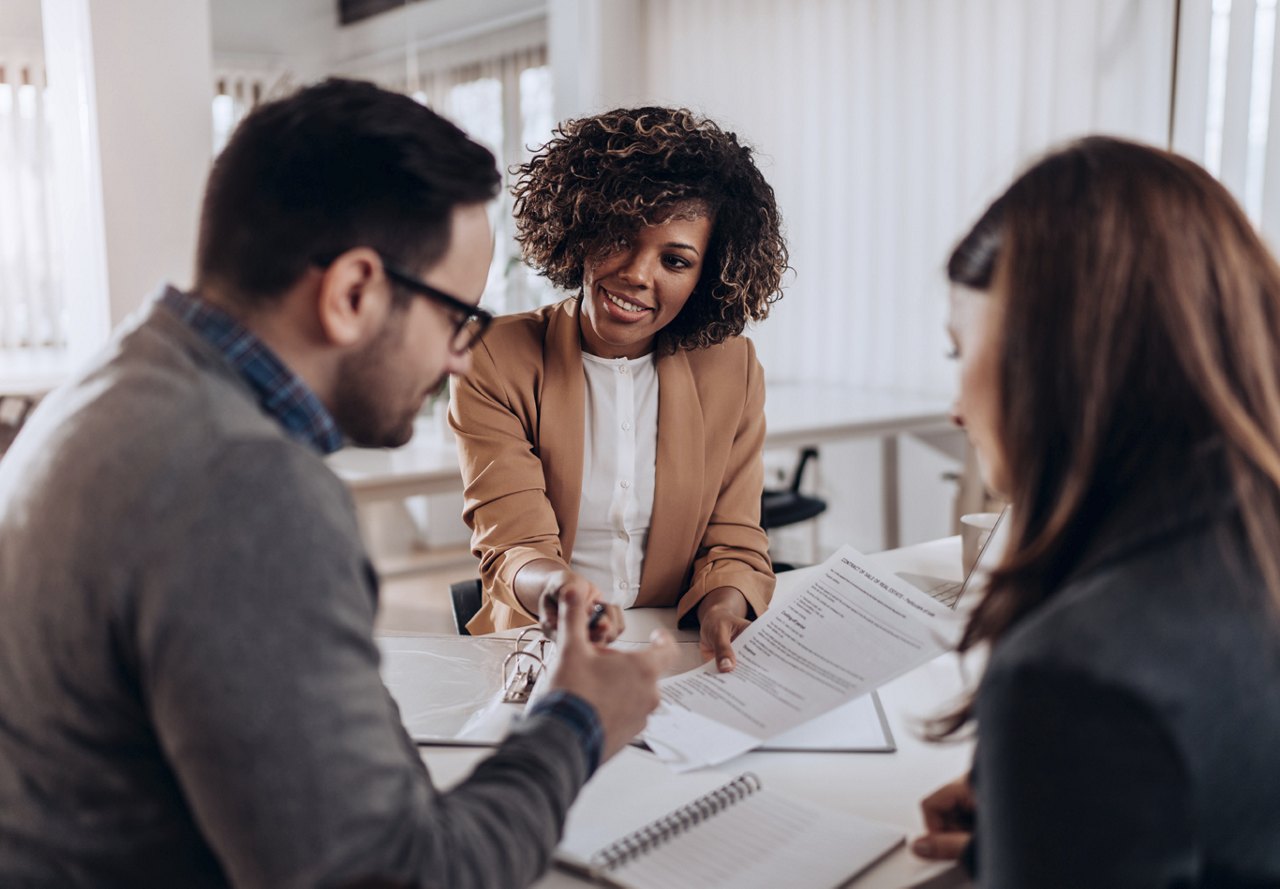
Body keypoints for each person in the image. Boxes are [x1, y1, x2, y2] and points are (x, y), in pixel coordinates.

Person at [0, 78, 674, 889]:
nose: (459, 356)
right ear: (354, 292)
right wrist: (577, 721)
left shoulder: (110, 384)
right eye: (457, 317)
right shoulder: (241, 488)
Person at [911, 137, 1280, 885]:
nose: (955, 409)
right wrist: (1051, 825)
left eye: (960, 352)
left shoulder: (1073, 680)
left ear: (1052, 360)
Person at [450, 106, 788, 671]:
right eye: (620, 237)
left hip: (679, 652)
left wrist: (726, 603)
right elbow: (513, 545)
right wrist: (564, 595)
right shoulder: (493, 357)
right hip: (543, 644)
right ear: (581, 229)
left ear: (707, 278)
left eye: (675, 260)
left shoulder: (732, 367)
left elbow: (733, 539)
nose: (637, 273)